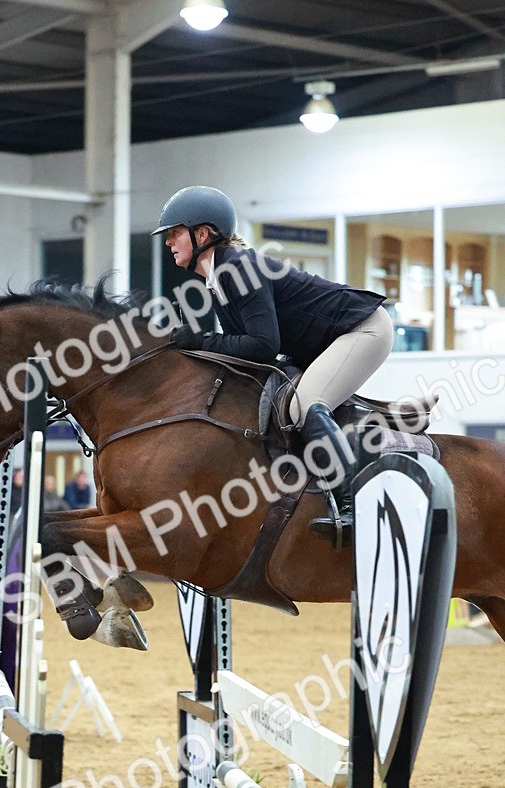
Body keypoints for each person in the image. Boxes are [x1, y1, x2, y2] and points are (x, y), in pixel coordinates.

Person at [152, 186, 394, 544]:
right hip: (323, 342)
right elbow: (243, 352)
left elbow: (263, 346)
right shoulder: (218, 278)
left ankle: (353, 507)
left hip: (362, 329)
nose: (169, 242)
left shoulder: (238, 267)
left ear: (201, 234)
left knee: (306, 406)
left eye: (174, 233)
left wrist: (199, 340)